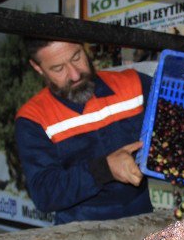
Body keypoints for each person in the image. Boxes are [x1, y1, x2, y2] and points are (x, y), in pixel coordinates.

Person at [15, 38, 153, 224]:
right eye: (58, 68)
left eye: (76, 57)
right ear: (37, 67)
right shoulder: (34, 118)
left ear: (84, 47)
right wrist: (105, 169)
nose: (74, 75)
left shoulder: (133, 85)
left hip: (143, 221)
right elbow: (44, 193)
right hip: (80, 236)